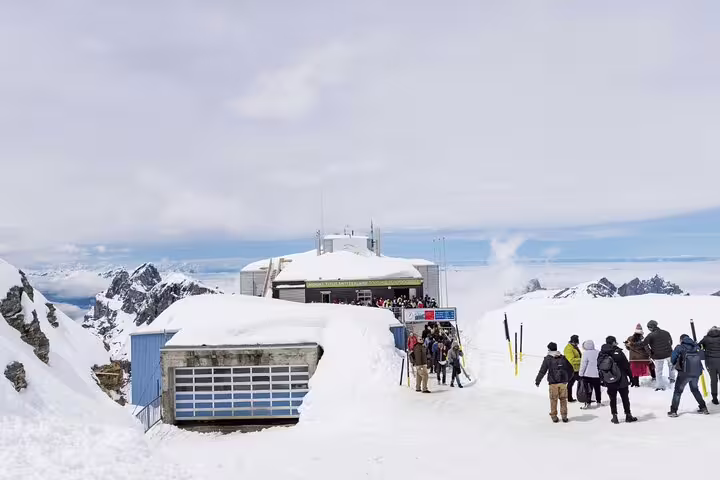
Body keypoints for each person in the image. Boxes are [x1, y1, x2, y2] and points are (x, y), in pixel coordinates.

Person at [597, 336, 638, 424]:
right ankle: (628, 415)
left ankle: (614, 416)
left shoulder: (602, 353)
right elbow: (626, 366)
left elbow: (599, 367)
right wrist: (631, 378)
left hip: (609, 379)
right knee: (625, 397)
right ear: (614, 342)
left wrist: (602, 379)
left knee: (612, 398)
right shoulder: (618, 352)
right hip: (622, 378)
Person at [668, 335, 709, 417]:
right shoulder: (696, 346)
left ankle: (673, 411)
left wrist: (676, 363)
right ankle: (703, 408)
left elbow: (673, 359)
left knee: (678, 391)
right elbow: (702, 355)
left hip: (684, 373)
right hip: (697, 372)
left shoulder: (680, 347)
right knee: (695, 389)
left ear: (681, 340)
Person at [536, 342, 574, 423]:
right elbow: (571, 369)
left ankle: (554, 416)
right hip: (563, 383)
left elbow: (542, 371)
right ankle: (564, 416)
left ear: (549, 349)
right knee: (563, 399)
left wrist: (538, 380)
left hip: (553, 383)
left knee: (553, 399)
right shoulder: (563, 357)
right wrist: (567, 379)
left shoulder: (548, 358)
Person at [640, 320, 675, 391]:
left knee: (659, 371)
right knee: (671, 367)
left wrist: (651, 353)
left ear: (651, 327)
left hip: (658, 356)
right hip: (669, 354)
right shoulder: (666, 332)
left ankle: (660, 386)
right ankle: (672, 380)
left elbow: (644, 344)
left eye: (648, 327)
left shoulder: (650, 335)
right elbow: (671, 342)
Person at [699, 326, 720, 405]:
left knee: (713, 380)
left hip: (710, 363)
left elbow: (699, 347)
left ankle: (715, 399)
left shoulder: (706, 339)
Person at [578, 339, 601, 409]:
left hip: (587, 376)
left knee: (588, 390)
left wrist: (580, 374)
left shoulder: (585, 353)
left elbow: (583, 365)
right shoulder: (598, 352)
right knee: (597, 389)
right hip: (597, 375)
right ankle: (598, 402)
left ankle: (588, 403)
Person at [564, 335, 582, 402]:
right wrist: (582, 360)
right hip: (572, 369)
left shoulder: (575, 347)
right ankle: (582, 396)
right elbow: (571, 360)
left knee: (570, 383)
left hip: (576, 369)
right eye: (576, 342)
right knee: (581, 382)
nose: (577, 344)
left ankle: (569, 398)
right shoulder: (568, 348)